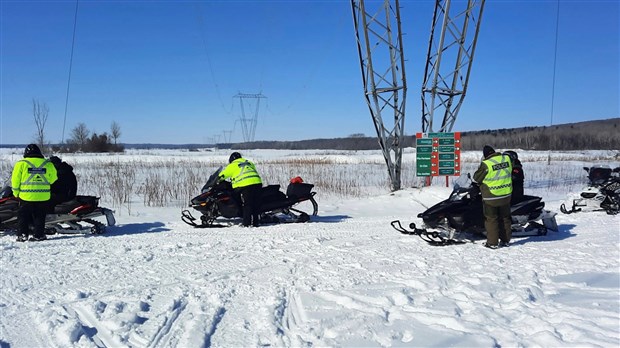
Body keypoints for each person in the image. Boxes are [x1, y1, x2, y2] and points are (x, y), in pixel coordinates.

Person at [11, 144, 58, 242]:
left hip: (26, 196)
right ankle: (39, 235)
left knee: (23, 217)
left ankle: (23, 235)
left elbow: (15, 180)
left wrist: (16, 193)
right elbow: (53, 179)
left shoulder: (21, 164)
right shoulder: (48, 164)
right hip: (43, 197)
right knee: (39, 217)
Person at [473, 145, 513, 249]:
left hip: (492, 197)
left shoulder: (486, 164)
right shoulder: (507, 159)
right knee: (505, 218)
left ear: (485, 155)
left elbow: (477, 178)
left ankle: (492, 243)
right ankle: (506, 240)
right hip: (506, 195)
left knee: (491, 219)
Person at [219, 152, 263, 227]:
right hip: (257, 183)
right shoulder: (249, 162)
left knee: (247, 204)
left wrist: (217, 180)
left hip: (245, 184)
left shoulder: (232, 165)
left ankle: (246, 223)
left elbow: (223, 175)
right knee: (255, 203)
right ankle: (256, 222)